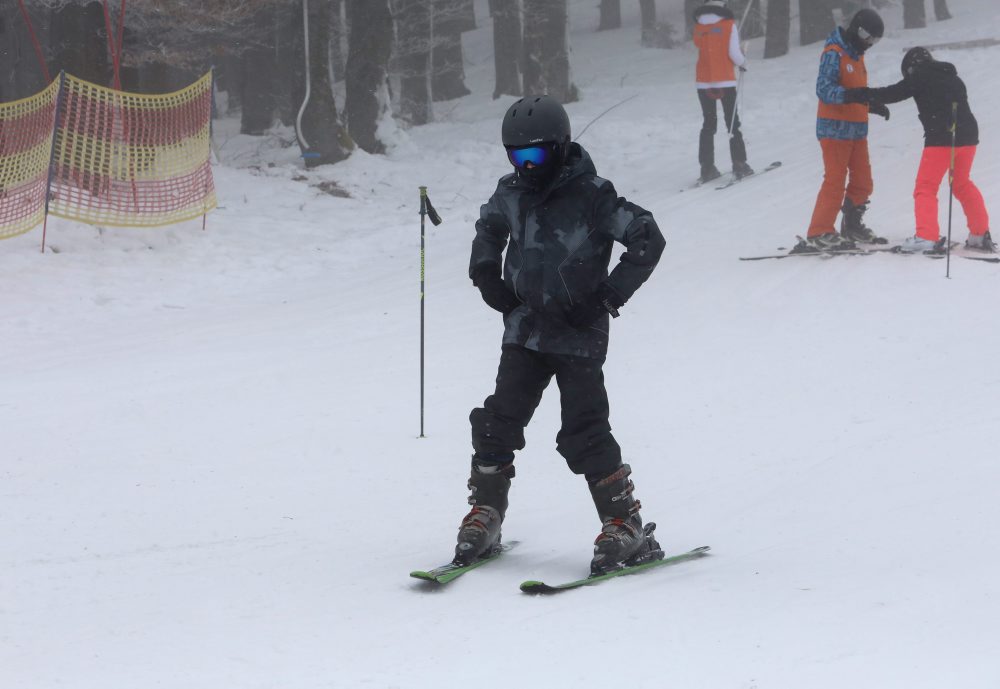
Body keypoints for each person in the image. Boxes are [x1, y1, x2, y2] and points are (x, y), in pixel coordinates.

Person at [457, 95, 667, 575]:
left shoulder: (592, 194)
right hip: (526, 331)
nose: (526, 166)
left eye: (535, 156)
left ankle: (624, 524)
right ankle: (486, 513)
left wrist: (609, 295)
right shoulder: (510, 192)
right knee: (497, 421)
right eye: (516, 156)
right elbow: (488, 229)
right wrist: (486, 271)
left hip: (578, 333)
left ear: (561, 147)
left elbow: (647, 236)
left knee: (583, 431)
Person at [844, 47, 992, 253]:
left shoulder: (921, 75)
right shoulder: (953, 77)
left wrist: (859, 94)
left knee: (925, 187)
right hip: (967, 137)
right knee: (962, 183)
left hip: (941, 139)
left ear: (911, 67)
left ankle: (926, 236)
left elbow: (892, 93)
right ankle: (979, 233)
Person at [793, 8, 888, 254]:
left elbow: (853, 90)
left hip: (856, 130)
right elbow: (824, 90)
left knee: (864, 182)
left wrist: (869, 104)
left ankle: (852, 224)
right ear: (858, 30)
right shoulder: (834, 53)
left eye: (874, 41)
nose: (870, 44)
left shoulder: (856, 55)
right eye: (869, 38)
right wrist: (852, 95)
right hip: (834, 129)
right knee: (835, 181)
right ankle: (819, 231)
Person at [692, 0, 754, 183]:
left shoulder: (699, 26)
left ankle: (707, 167)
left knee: (708, 124)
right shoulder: (728, 25)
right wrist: (743, 62)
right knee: (732, 122)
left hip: (703, 82)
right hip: (724, 81)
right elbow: (733, 53)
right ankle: (739, 163)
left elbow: (700, 46)